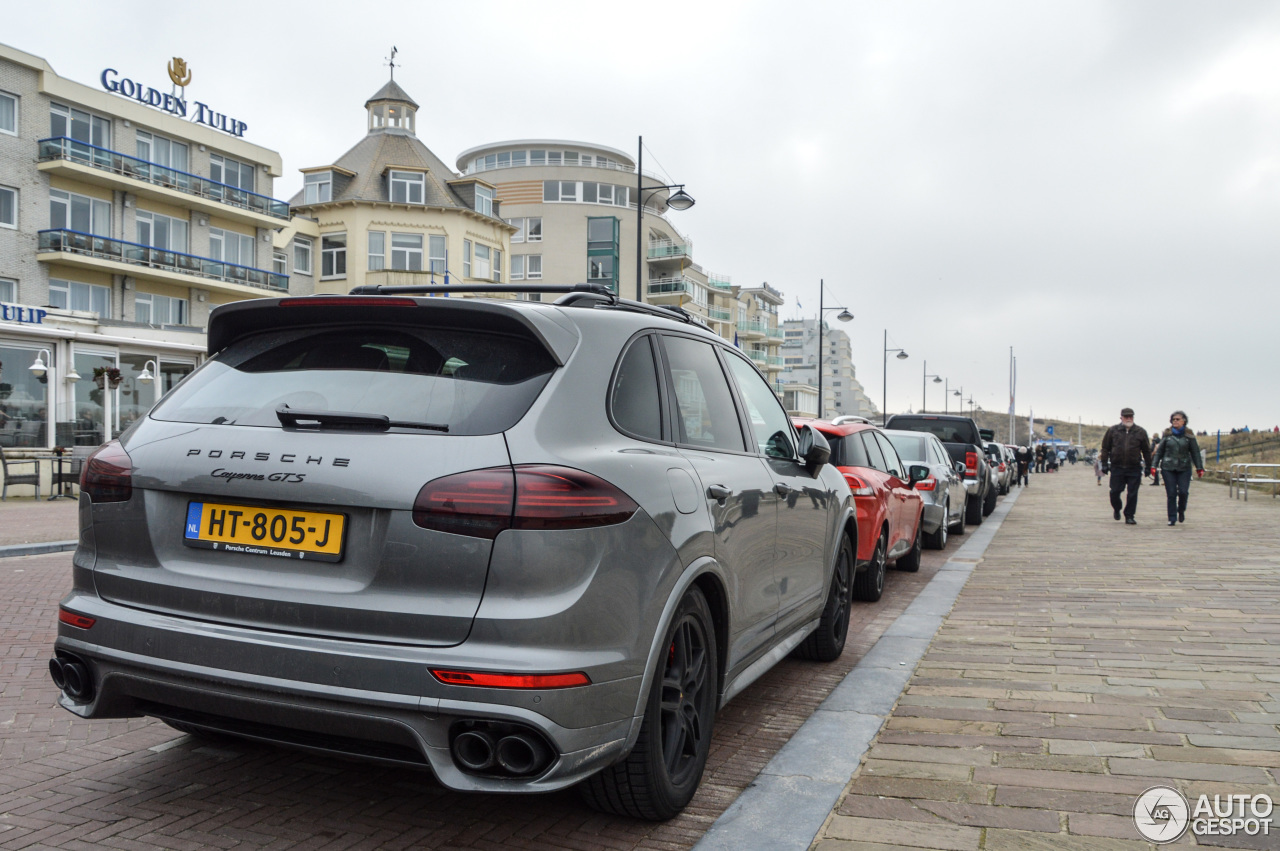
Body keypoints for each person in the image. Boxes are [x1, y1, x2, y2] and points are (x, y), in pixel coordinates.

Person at [1100, 406, 1152, 525]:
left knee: (1133, 493)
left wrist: (1149, 466)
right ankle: (1117, 508)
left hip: (1134, 467)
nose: (1128, 418)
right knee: (1115, 491)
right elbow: (1105, 448)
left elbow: (1146, 451)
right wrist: (1104, 463)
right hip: (1117, 467)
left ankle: (1129, 515)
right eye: (1126, 416)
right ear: (1121, 417)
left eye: (1130, 416)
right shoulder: (1113, 430)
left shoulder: (1140, 432)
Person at [1152, 410, 1204, 526]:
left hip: (1184, 467)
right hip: (1168, 467)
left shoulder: (1189, 436)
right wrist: (1153, 465)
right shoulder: (1167, 435)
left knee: (1183, 492)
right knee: (1171, 493)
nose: (1175, 421)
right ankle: (1172, 517)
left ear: (1184, 421)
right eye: (1173, 419)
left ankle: (1181, 510)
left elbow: (1195, 452)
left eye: (1177, 419)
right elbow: (1159, 452)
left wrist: (1199, 467)